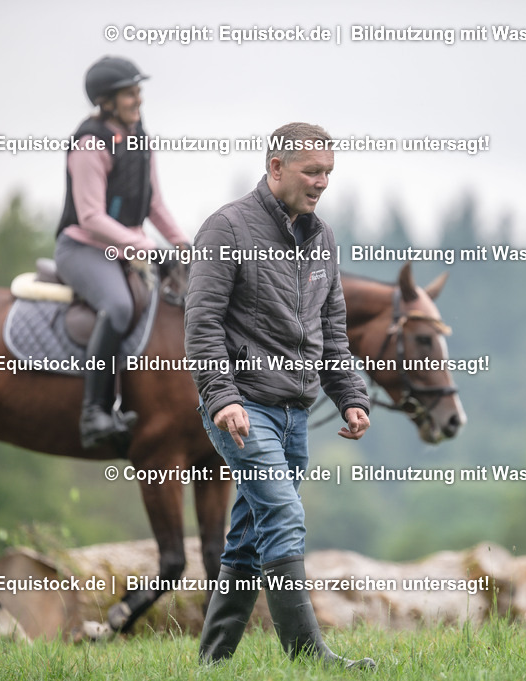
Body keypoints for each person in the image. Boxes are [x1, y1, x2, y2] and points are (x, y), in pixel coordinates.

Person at [185, 122, 375, 669]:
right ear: (276, 168)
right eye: (312, 171)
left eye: (329, 173)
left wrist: (350, 395)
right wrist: (221, 398)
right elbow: (201, 325)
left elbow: (332, 329)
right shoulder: (226, 228)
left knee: (248, 537)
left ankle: (212, 663)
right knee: (286, 515)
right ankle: (310, 657)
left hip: (296, 414)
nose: (322, 183)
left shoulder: (323, 238)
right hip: (244, 410)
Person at [55, 56, 187, 449]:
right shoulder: (89, 143)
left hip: (126, 248)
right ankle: (94, 412)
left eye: (138, 92)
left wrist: (181, 245)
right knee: (118, 305)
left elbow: (154, 205)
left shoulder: (139, 138)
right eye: (130, 93)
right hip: (83, 248)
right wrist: (150, 247)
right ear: (107, 100)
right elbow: (92, 216)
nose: (138, 100)